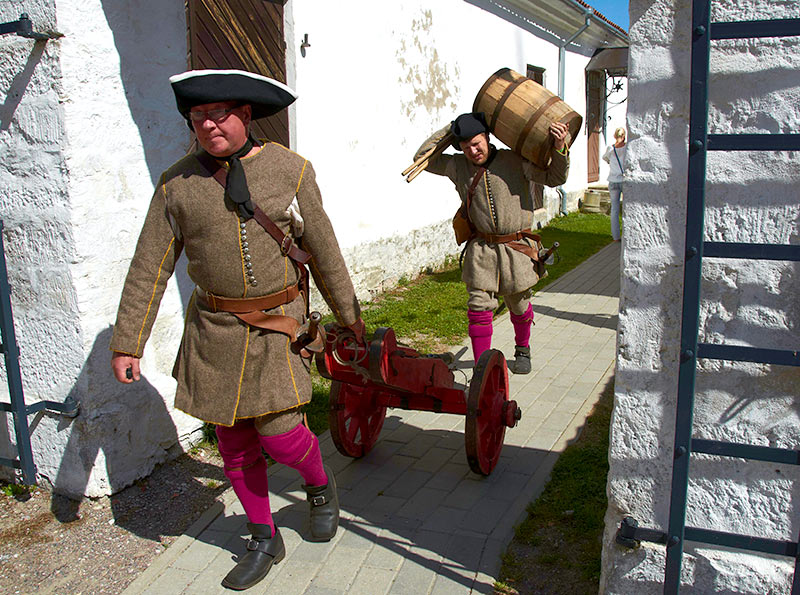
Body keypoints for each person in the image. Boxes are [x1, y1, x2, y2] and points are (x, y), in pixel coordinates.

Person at [110, 69, 364, 591]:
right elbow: (149, 266)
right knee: (232, 441)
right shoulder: (176, 185)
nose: (208, 124)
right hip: (214, 331)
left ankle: (318, 485)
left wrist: (349, 317)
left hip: (278, 326)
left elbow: (324, 249)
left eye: (219, 113)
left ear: (245, 114)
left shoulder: (291, 170)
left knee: (282, 436)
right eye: (198, 116)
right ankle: (262, 535)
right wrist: (127, 342)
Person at [413, 112, 570, 374]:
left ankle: (522, 348)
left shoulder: (514, 159)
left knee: (519, 305)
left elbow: (556, 178)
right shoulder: (457, 166)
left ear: (486, 137)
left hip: (516, 247)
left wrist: (560, 148)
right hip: (481, 250)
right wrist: (450, 131)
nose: (473, 151)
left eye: (476, 143)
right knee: (478, 308)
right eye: (465, 147)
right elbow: (422, 158)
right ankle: (481, 366)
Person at [602, 126, 626, 241]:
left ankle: (616, 236)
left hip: (612, 180)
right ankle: (626, 234)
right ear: (624, 136)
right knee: (627, 208)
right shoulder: (627, 148)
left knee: (615, 210)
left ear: (614, 136)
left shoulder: (610, 149)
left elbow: (605, 159)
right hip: (624, 180)